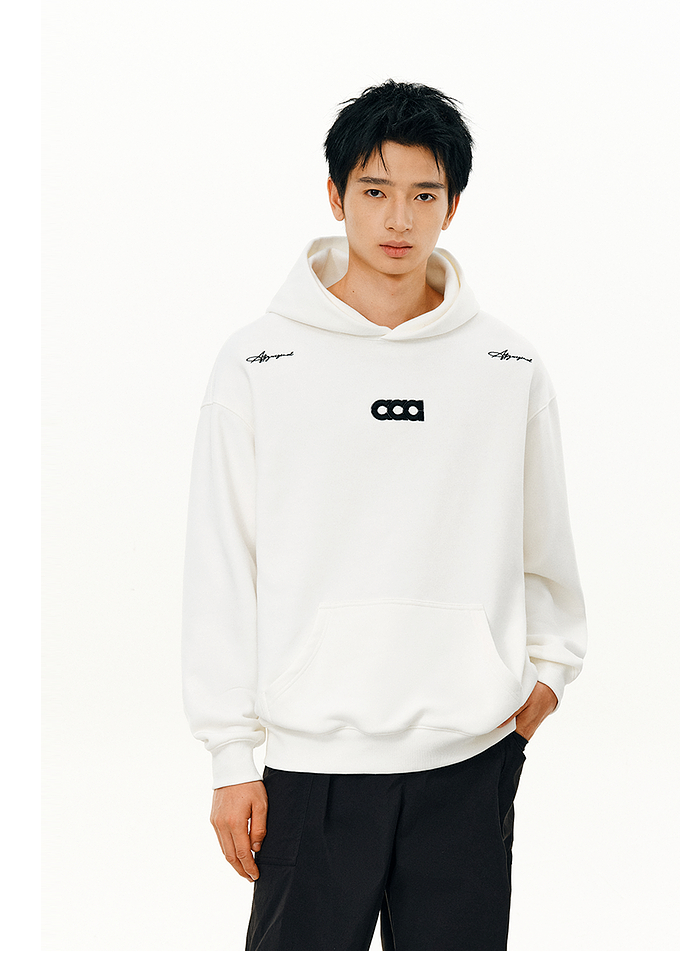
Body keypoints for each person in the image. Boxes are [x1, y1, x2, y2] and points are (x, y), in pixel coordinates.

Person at [181, 79, 587, 951]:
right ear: (336, 196)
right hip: (309, 766)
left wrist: (545, 679)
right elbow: (222, 565)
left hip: (469, 760)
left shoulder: (507, 364)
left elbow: (545, 547)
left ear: (452, 206)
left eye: (424, 195)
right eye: (375, 190)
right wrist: (229, 756)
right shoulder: (258, 361)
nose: (399, 218)